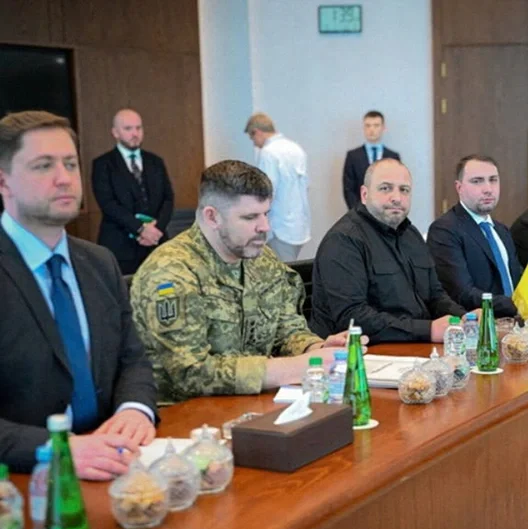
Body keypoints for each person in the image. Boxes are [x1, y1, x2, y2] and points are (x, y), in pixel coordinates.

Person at [0, 111, 157, 476]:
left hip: (115, 464)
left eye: (70, 164)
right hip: (25, 482)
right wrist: (57, 449)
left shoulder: (99, 262)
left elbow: (132, 359)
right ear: (3, 182)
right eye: (43, 166)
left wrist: (135, 409)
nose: (64, 178)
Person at [131, 160, 351, 405]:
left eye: (266, 214)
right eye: (250, 217)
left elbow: (285, 329)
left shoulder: (261, 259)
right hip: (184, 415)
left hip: (252, 404)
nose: (265, 227)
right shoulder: (172, 272)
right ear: (212, 217)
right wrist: (291, 368)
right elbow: (189, 374)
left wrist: (315, 350)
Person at [311, 158, 466, 343]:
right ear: (364, 194)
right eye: (385, 188)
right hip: (363, 351)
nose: (396, 198)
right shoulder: (343, 240)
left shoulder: (411, 234)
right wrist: (428, 330)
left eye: (404, 190)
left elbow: (435, 296)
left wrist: (465, 319)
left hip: (415, 346)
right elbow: (352, 317)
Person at [427, 154, 522, 317]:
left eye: (493, 180)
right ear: (459, 187)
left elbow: (518, 281)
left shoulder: (502, 231)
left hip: (516, 325)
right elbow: (462, 293)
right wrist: (515, 305)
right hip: (478, 326)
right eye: (477, 181)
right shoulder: (444, 230)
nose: (488, 189)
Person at [92, 109, 175, 274]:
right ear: (115, 132)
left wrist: (156, 229)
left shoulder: (155, 162)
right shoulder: (103, 164)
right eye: (128, 129)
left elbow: (168, 198)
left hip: (156, 243)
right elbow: (107, 204)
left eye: (138, 128)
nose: (135, 133)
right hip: (120, 245)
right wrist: (141, 229)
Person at [244, 113, 310, 262]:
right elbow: (306, 186)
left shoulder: (268, 153)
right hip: (299, 226)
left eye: (252, 138)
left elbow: (265, 191)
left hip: (279, 228)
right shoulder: (295, 148)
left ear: (257, 132)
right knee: (290, 266)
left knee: (280, 271)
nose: (255, 144)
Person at [342, 111, 401, 210]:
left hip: (387, 211)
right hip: (359, 211)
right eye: (368, 125)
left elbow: (397, 186)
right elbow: (348, 189)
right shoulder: (353, 156)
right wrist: (357, 212)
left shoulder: (393, 157)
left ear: (383, 128)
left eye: (376, 125)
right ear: (363, 128)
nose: (372, 129)